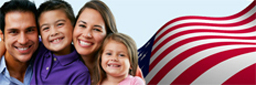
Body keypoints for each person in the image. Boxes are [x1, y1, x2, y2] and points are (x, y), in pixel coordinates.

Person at [30, 0, 90, 84]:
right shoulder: (40, 49)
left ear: (74, 25)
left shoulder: (80, 73)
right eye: (46, 28)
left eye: (60, 24)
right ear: (40, 34)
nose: (54, 32)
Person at [0, 0, 38, 84]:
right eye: (13, 32)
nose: (23, 41)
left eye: (30, 30)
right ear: (2, 35)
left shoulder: (48, 55)